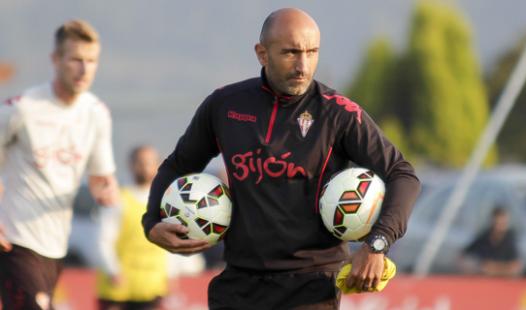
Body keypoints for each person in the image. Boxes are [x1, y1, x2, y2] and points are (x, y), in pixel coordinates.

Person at [142, 7, 421, 309]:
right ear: (262, 53)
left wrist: (377, 244)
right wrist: (152, 222)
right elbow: (178, 165)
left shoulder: (338, 113)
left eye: (311, 52)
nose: (303, 65)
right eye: (290, 53)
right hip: (238, 286)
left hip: (311, 288)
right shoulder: (223, 106)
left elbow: (402, 174)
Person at [0, 20, 119, 309]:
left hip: (55, 245)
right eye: (76, 59)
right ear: (56, 60)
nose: (84, 69)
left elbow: (100, 176)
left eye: (91, 61)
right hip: (15, 241)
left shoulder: (96, 113)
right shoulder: (22, 108)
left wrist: (106, 190)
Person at [96, 145, 169, 310]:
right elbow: (103, 240)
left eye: (149, 163)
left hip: (151, 288)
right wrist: (112, 269)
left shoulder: (166, 203)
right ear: (131, 165)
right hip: (118, 289)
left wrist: (172, 274)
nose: (144, 167)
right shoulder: (118, 200)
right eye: (140, 162)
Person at [459, 207, 522, 277]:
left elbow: (516, 267)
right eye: (497, 223)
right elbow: (463, 255)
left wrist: (494, 269)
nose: (499, 226)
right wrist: (475, 268)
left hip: (504, 282)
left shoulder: (510, 239)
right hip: (483, 281)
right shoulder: (484, 238)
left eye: (503, 223)